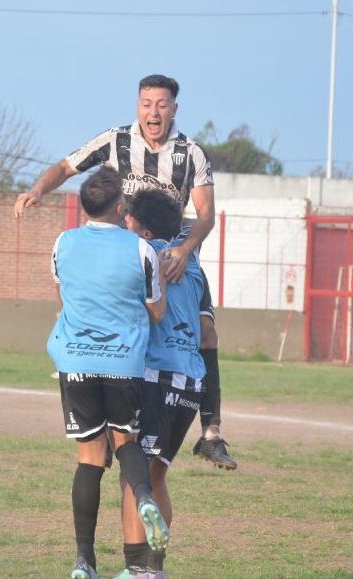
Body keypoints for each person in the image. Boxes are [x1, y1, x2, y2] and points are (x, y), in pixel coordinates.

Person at [15, 74, 236, 470]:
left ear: (174, 109)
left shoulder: (192, 153)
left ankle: (212, 433)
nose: (154, 111)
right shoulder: (115, 141)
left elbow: (205, 214)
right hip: (127, 256)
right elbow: (67, 166)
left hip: (176, 258)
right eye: (146, 102)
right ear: (137, 105)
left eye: (162, 104)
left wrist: (185, 250)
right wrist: (37, 190)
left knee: (206, 332)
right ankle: (112, 426)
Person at [48, 167, 170, 579]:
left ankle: (84, 560)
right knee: (126, 443)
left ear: (85, 205)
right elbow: (156, 312)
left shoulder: (63, 242)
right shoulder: (141, 250)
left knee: (88, 459)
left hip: (76, 364)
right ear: (120, 207)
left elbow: (64, 292)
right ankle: (143, 497)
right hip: (124, 365)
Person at [118, 188, 206, 577]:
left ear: (144, 227)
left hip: (157, 375)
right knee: (157, 476)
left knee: (134, 476)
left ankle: (140, 570)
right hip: (191, 379)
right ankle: (154, 570)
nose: (124, 223)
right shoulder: (192, 261)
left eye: (129, 218)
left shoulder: (146, 258)